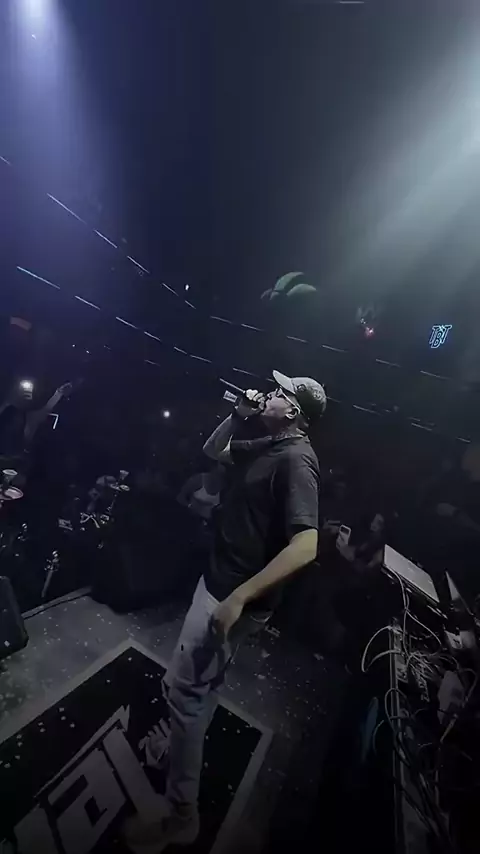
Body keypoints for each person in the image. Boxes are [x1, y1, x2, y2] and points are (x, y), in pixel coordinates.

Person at [124, 370, 326, 852]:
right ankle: (182, 742)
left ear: (293, 410)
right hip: (219, 583)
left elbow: (307, 546)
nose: (269, 394)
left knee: (183, 693)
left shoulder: (297, 460)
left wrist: (238, 598)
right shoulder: (270, 444)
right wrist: (239, 415)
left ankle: (182, 815)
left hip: (230, 596)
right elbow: (214, 451)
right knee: (203, 685)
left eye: (278, 392)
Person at [0, 379, 73, 478]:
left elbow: (47, 408)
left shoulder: (30, 418)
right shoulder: (6, 412)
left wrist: (59, 393)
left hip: (15, 465)